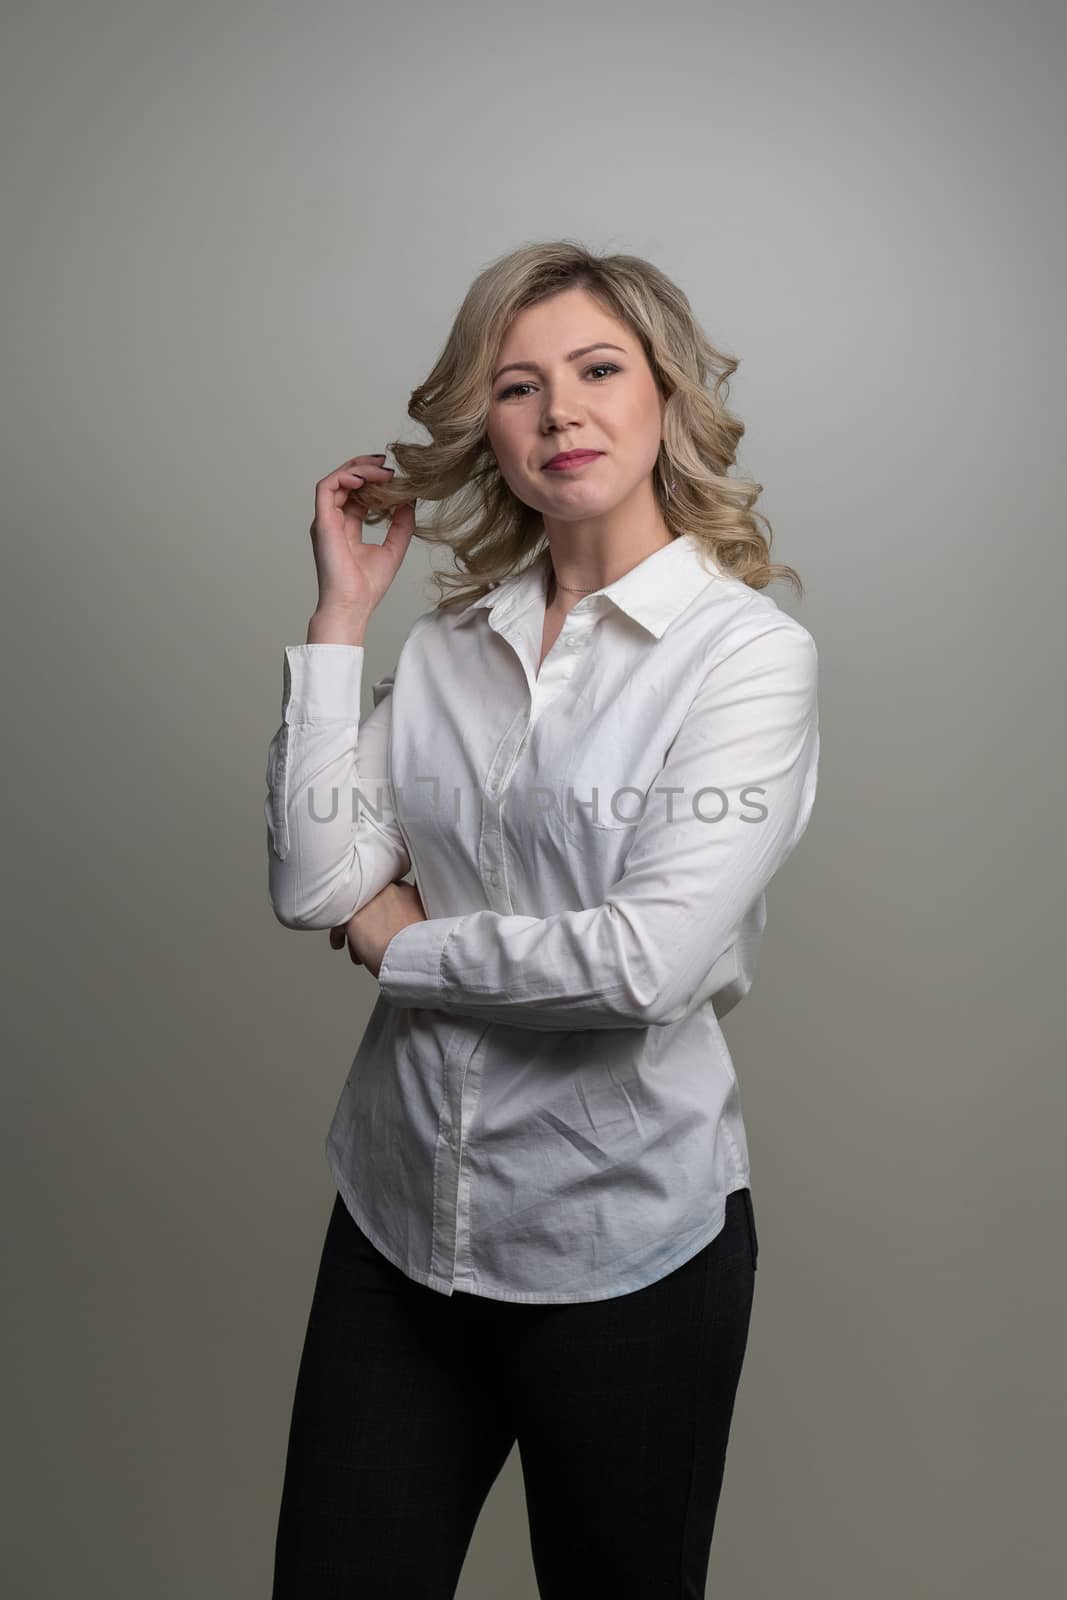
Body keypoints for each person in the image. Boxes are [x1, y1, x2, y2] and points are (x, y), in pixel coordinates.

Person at [264, 240, 819, 1598]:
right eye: (519, 386)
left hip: (625, 1248)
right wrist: (342, 622)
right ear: (487, 431)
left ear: (664, 398)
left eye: (596, 370)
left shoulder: (748, 658)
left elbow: (641, 967)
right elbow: (309, 879)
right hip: (400, 1226)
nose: (561, 410)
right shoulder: (449, 649)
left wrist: (401, 944)